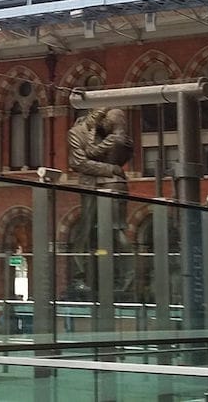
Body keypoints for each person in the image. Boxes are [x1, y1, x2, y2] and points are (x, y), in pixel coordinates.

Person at [66, 107, 135, 298]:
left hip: (108, 185)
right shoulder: (77, 133)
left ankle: (123, 278)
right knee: (88, 230)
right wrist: (111, 168)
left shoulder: (110, 134)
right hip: (91, 186)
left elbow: (91, 155)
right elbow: (79, 162)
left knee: (113, 231)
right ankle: (81, 277)